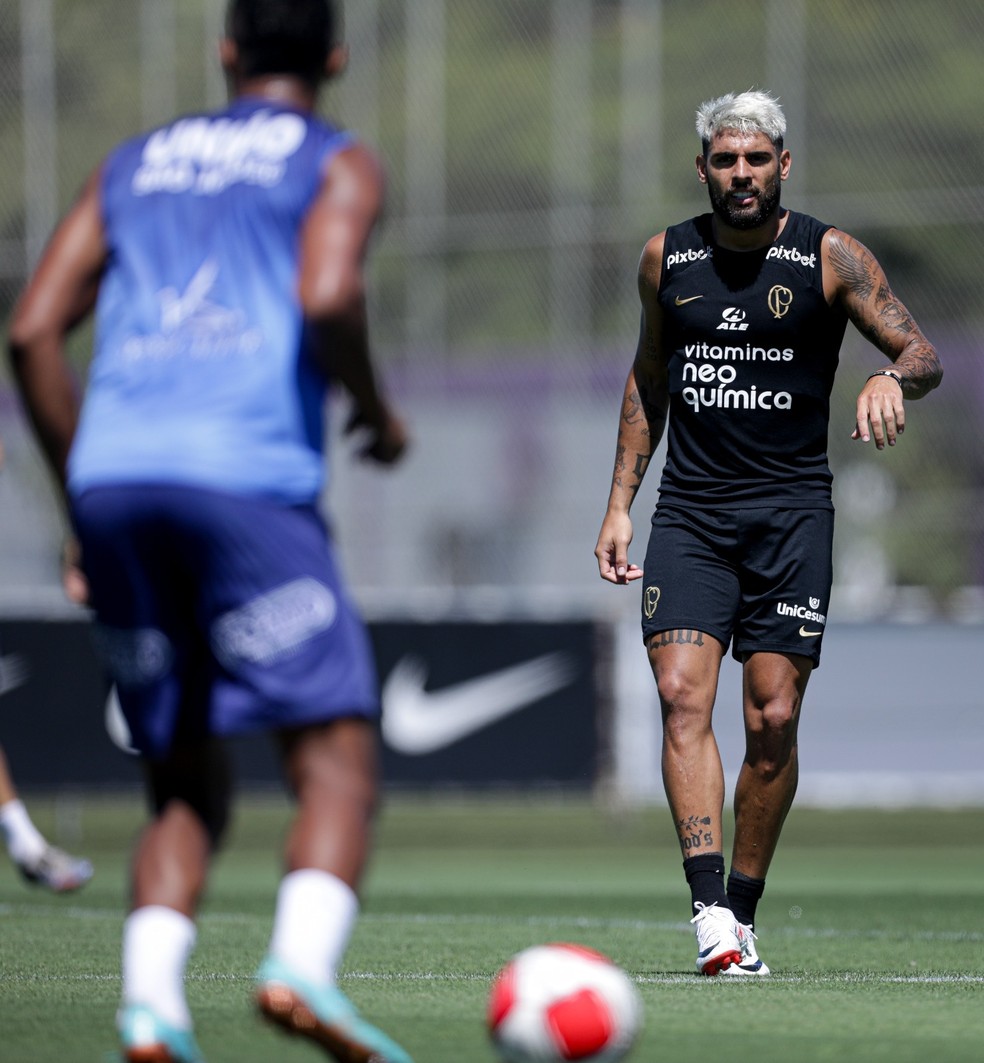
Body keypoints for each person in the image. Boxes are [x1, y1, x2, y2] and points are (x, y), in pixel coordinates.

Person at [8, 2, 412, 1061]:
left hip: (113, 486)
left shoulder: (133, 161)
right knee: (334, 757)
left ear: (226, 51)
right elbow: (328, 295)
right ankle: (301, 971)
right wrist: (374, 404)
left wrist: (82, 495)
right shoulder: (337, 160)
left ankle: (150, 1010)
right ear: (335, 55)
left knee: (182, 779)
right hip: (244, 484)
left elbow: (32, 329)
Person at [594, 90, 942, 977]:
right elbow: (646, 379)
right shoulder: (665, 258)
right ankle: (710, 909)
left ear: (783, 165)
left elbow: (923, 351)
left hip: (792, 515)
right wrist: (620, 499)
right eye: (724, 160)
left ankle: (743, 909)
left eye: (756, 160)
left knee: (774, 716)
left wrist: (891, 376)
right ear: (702, 167)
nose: (739, 174)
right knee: (681, 695)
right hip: (693, 515)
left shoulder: (831, 257)